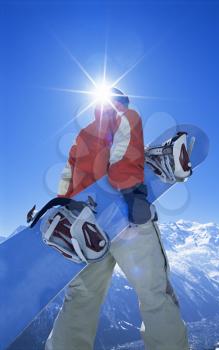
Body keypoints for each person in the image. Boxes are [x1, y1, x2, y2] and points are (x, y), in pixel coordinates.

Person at [45, 88, 189, 350]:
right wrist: (134, 194)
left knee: (80, 299)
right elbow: (125, 155)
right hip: (126, 220)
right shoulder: (127, 116)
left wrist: (66, 212)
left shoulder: (83, 134)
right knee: (155, 293)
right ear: (121, 102)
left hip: (87, 229)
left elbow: (66, 180)